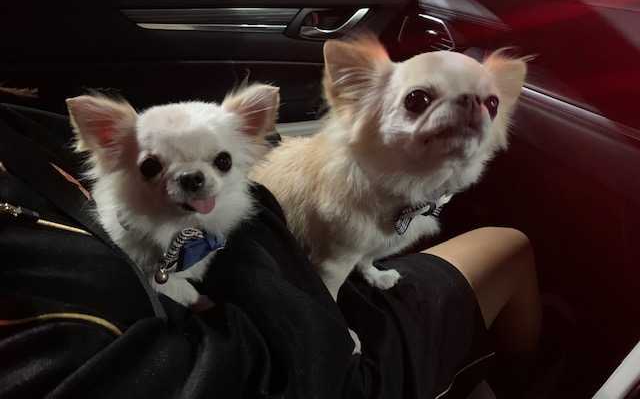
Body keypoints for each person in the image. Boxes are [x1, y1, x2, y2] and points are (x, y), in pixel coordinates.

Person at [0, 94, 544, 398]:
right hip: (307, 360)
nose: (194, 178)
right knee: (509, 245)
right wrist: (314, 323)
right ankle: (529, 380)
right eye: (152, 168)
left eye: (220, 163)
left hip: (284, 295)